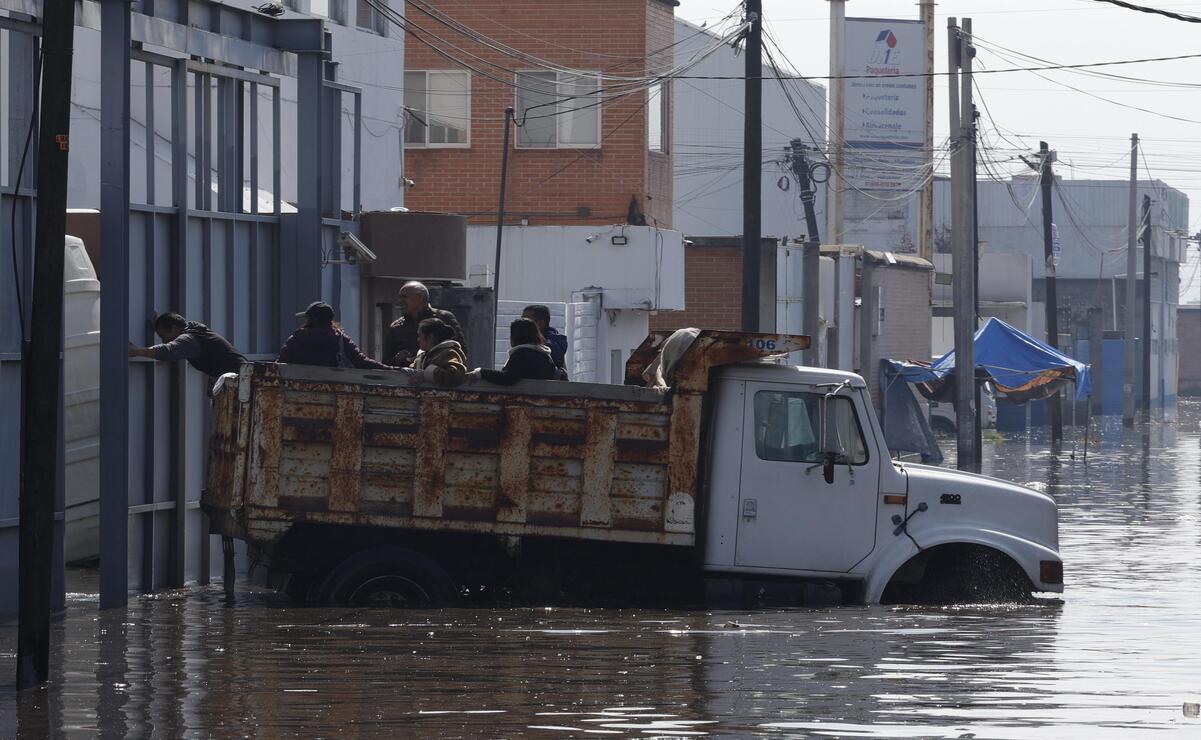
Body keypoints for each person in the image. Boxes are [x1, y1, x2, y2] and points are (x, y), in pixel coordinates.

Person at [128, 312, 246, 379]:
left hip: (242, 382)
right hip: (244, 376)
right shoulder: (195, 329)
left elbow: (167, 351)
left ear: (174, 329)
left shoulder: (190, 340)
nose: (163, 341)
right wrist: (158, 325)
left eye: (163, 336)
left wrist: (136, 351)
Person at [278, 301, 391, 370]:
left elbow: (280, 364)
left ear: (310, 320)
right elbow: (361, 361)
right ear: (330, 320)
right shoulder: (340, 339)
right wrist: (389, 368)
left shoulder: (295, 339)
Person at [383, 281, 465, 367]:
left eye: (404, 297)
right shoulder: (396, 327)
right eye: (400, 297)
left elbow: (460, 349)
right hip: (404, 375)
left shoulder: (444, 318)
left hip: (437, 373)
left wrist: (428, 358)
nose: (400, 301)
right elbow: (386, 363)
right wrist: (397, 359)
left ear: (420, 297)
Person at [478, 317, 565, 386]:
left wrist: (480, 373)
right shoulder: (542, 353)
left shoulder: (522, 354)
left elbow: (508, 378)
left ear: (515, 336)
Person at [409, 318, 468, 387]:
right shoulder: (423, 356)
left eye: (420, 335)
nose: (418, 339)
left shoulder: (449, 353)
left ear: (430, 337)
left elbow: (455, 376)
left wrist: (425, 374)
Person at [522, 304, 567, 372]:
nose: (522, 323)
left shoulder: (552, 341)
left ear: (541, 322)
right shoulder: (527, 338)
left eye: (526, 320)